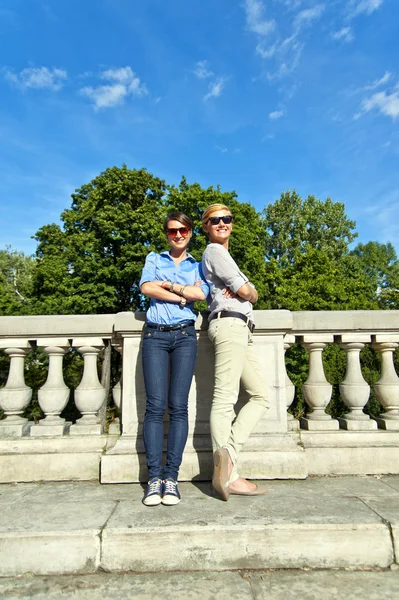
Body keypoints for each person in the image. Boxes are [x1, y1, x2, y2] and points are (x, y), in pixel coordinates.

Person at [139, 212, 209, 507]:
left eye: (182, 230)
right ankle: (154, 478)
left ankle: (171, 478)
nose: (177, 235)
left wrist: (168, 287)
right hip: (154, 336)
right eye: (172, 231)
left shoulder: (198, 265)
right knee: (155, 407)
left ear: (191, 232)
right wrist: (182, 296)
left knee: (178, 407)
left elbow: (200, 294)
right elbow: (146, 288)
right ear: (166, 233)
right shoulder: (154, 259)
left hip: (184, 336)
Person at [201, 203, 269, 501]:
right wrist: (247, 289)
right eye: (214, 220)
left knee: (261, 395)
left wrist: (247, 290)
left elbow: (250, 292)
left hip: (240, 328)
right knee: (225, 397)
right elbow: (246, 292)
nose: (222, 223)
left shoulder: (225, 255)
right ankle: (228, 473)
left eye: (226, 219)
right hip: (229, 325)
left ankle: (226, 456)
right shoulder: (214, 251)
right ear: (206, 226)